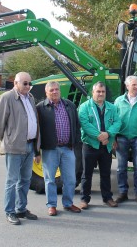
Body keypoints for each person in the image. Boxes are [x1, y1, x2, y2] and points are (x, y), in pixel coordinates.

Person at [0, 72, 39, 225]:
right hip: (14, 147)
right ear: (16, 83)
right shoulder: (6, 98)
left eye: (29, 83)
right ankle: (10, 211)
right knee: (12, 181)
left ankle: (21, 209)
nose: (27, 86)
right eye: (24, 83)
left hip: (29, 145)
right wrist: (9, 139)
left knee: (25, 180)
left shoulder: (31, 98)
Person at [36, 81, 82, 216]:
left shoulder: (69, 105)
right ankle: (51, 205)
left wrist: (75, 142)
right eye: (51, 90)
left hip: (68, 149)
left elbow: (76, 126)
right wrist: (36, 150)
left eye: (56, 89)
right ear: (46, 92)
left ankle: (68, 203)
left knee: (70, 179)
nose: (54, 92)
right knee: (50, 179)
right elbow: (37, 130)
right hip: (50, 150)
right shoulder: (40, 108)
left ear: (60, 91)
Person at [78, 81, 121, 209]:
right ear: (93, 92)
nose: (101, 94)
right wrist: (99, 136)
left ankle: (107, 198)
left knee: (105, 173)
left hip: (106, 146)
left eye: (103, 92)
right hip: (90, 145)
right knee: (87, 174)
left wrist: (107, 134)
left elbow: (118, 123)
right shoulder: (85, 107)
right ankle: (84, 199)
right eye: (98, 91)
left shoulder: (112, 108)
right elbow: (85, 125)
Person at [113, 76, 137, 205]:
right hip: (122, 137)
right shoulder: (118, 101)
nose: (136, 87)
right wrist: (113, 137)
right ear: (127, 86)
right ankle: (123, 192)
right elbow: (113, 121)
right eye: (133, 85)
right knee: (121, 168)